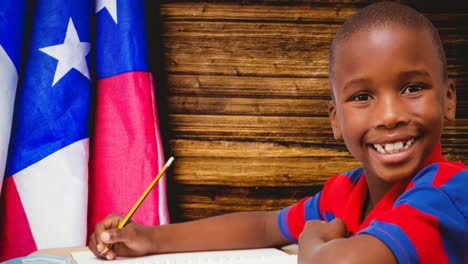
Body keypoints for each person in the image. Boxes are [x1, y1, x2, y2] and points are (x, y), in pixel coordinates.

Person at [88, 2, 467, 263]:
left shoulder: (451, 192)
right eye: (362, 96)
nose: (389, 116)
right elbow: (265, 225)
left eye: (413, 88)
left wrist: (312, 244)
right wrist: (150, 239)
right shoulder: (345, 194)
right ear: (335, 119)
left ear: (449, 99)